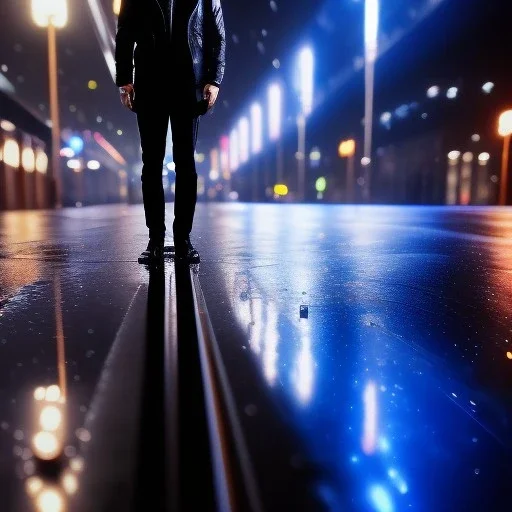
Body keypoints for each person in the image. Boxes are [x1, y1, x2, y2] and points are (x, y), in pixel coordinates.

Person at [115, 0, 226, 263]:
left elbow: (217, 35)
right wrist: (124, 80)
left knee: (185, 164)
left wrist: (214, 79)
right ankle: (155, 240)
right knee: (151, 164)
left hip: (189, 82)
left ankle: (182, 240)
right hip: (149, 80)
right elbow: (125, 31)